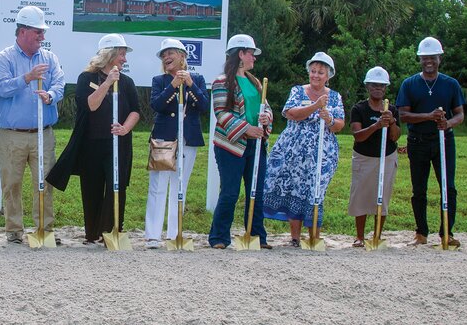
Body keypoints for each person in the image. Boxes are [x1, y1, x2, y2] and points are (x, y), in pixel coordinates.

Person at [47, 34, 140, 245]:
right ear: (109, 54)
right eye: (121, 55)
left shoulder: (127, 83)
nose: (124, 59)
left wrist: (125, 128)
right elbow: (90, 105)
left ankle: (112, 230)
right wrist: (107, 83)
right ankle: (93, 233)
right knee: (92, 188)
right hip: (91, 144)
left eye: (125, 55)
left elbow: (135, 110)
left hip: (118, 143)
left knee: (117, 187)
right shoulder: (86, 78)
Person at [0, 6, 65, 244]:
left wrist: (51, 95)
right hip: (12, 135)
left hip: (43, 133)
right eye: (38, 32)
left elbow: (60, 84)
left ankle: (44, 229)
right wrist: (27, 78)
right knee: (11, 183)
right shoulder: (4, 58)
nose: (42, 37)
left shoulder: (50, 58)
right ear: (22, 32)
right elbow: (1, 88)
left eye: (42, 32)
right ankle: (14, 230)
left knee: (44, 183)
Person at [263, 52, 345, 247]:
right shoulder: (298, 91)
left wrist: (330, 119)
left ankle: (314, 238)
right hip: (293, 151)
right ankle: (295, 238)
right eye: (313, 71)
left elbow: (340, 125)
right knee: (294, 190)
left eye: (321, 72)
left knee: (315, 191)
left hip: (322, 153)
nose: (316, 75)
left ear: (328, 75)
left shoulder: (335, 97)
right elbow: (291, 113)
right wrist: (316, 106)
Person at [396, 36, 465, 247]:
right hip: (418, 141)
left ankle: (447, 232)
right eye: (425, 58)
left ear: (439, 58)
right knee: (419, 188)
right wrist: (428, 116)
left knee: (448, 187)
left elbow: (460, 114)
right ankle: (421, 233)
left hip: (444, 141)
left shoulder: (450, 84)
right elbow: (404, 116)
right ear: (420, 59)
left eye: (432, 57)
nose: (429, 61)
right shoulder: (409, 84)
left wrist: (448, 124)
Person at [207, 34, 273, 250]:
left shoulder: (255, 82)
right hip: (231, 145)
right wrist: (246, 129)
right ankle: (219, 237)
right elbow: (221, 113)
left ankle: (257, 235)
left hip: (256, 144)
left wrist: (266, 119)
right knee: (230, 191)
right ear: (241, 54)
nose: (254, 58)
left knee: (257, 191)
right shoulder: (221, 81)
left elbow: (265, 107)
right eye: (251, 53)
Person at [144, 39, 209, 249]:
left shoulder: (197, 79)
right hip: (164, 139)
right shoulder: (159, 80)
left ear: (182, 55)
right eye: (163, 54)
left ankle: (174, 233)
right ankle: (153, 235)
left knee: (180, 185)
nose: (166, 57)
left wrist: (190, 84)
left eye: (170, 52)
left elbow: (204, 106)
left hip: (188, 139)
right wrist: (173, 86)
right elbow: (157, 105)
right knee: (158, 186)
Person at [348, 66, 400, 247]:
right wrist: (376, 126)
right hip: (364, 157)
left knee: (382, 197)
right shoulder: (359, 108)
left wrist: (391, 121)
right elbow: (358, 135)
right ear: (368, 87)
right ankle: (360, 236)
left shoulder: (391, 110)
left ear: (386, 88)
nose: (378, 88)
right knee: (361, 196)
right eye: (374, 85)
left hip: (387, 157)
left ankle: (377, 235)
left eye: (381, 86)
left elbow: (395, 136)